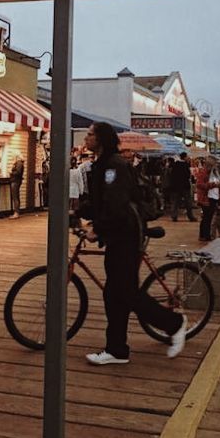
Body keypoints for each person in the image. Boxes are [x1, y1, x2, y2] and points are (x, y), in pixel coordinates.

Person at [80, 122, 186, 365]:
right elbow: (100, 203)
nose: (86, 138)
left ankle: (174, 323)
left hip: (126, 235)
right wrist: (79, 214)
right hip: (117, 234)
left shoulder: (113, 167)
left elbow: (116, 206)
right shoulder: (103, 165)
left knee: (124, 292)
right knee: (114, 294)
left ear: (102, 139)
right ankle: (116, 349)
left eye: (90, 135)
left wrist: (97, 228)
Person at [169, 152, 195, 221]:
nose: (188, 158)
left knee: (175, 202)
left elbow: (172, 176)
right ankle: (190, 216)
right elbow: (187, 175)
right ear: (184, 157)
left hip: (175, 186)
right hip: (185, 186)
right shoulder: (186, 165)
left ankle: (174, 216)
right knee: (188, 202)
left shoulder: (175, 165)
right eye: (187, 157)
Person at [9, 154, 25, 218]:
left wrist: (11, 172)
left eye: (13, 156)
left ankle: (16, 213)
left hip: (15, 181)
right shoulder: (20, 163)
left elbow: (18, 172)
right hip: (17, 181)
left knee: (15, 197)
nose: (13, 158)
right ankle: (17, 212)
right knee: (16, 197)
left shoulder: (19, 163)